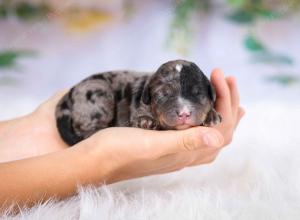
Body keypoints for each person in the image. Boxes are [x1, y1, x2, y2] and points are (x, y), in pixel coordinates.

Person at [0, 69, 244, 210]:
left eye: (196, 96)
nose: (182, 111)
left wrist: (35, 129)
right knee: (97, 109)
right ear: (148, 96)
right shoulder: (139, 101)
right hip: (91, 99)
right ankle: (81, 128)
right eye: (165, 96)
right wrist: (95, 162)